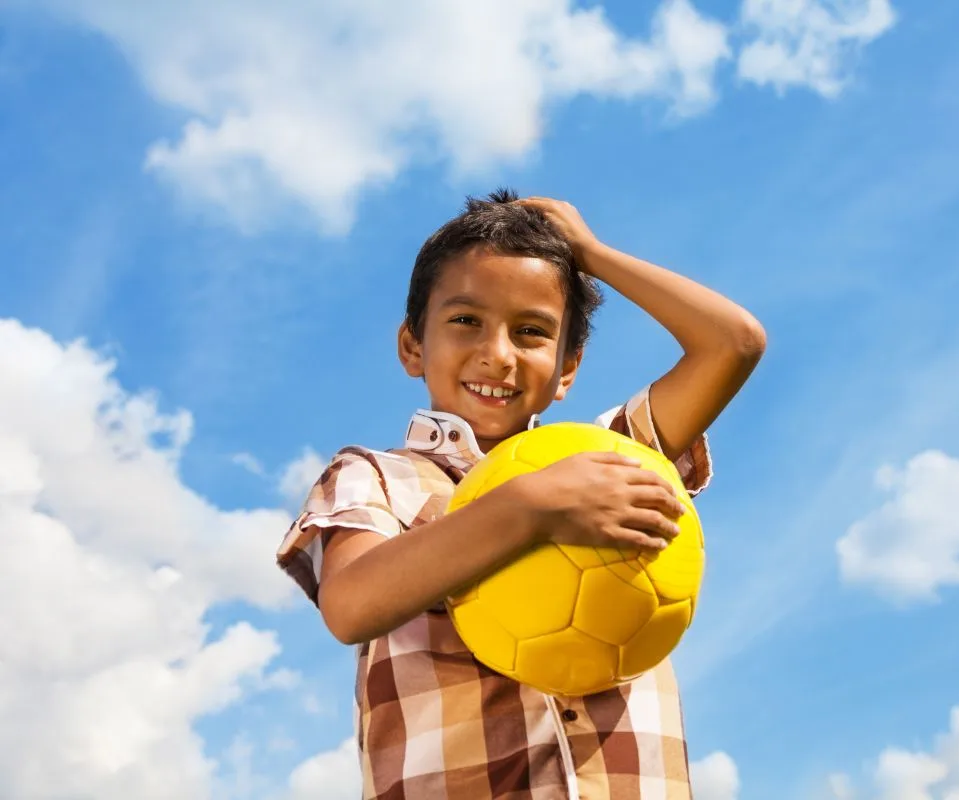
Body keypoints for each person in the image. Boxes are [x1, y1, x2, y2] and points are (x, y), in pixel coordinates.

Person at [276, 189, 766, 800]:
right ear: (412, 346)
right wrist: (528, 507)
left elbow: (734, 342)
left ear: (567, 370)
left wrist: (591, 254)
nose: (498, 354)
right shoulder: (374, 476)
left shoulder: (608, 460)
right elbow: (349, 606)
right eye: (465, 321)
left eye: (532, 332)